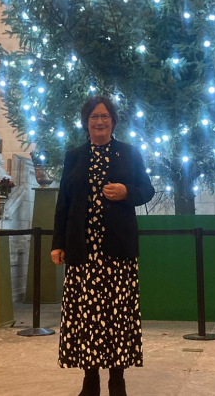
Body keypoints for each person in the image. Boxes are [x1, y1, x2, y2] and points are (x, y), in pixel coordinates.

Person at [51, 96, 155, 396]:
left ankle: (117, 379)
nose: (99, 121)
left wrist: (127, 191)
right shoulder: (74, 156)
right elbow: (64, 203)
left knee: (117, 317)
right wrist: (58, 244)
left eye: (105, 116)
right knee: (87, 316)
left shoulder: (129, 153)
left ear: (113, 120)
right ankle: (90, 379)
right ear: (86, 122)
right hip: (83, 251)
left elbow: (147, 190)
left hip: (117, 250)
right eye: (94, 116)